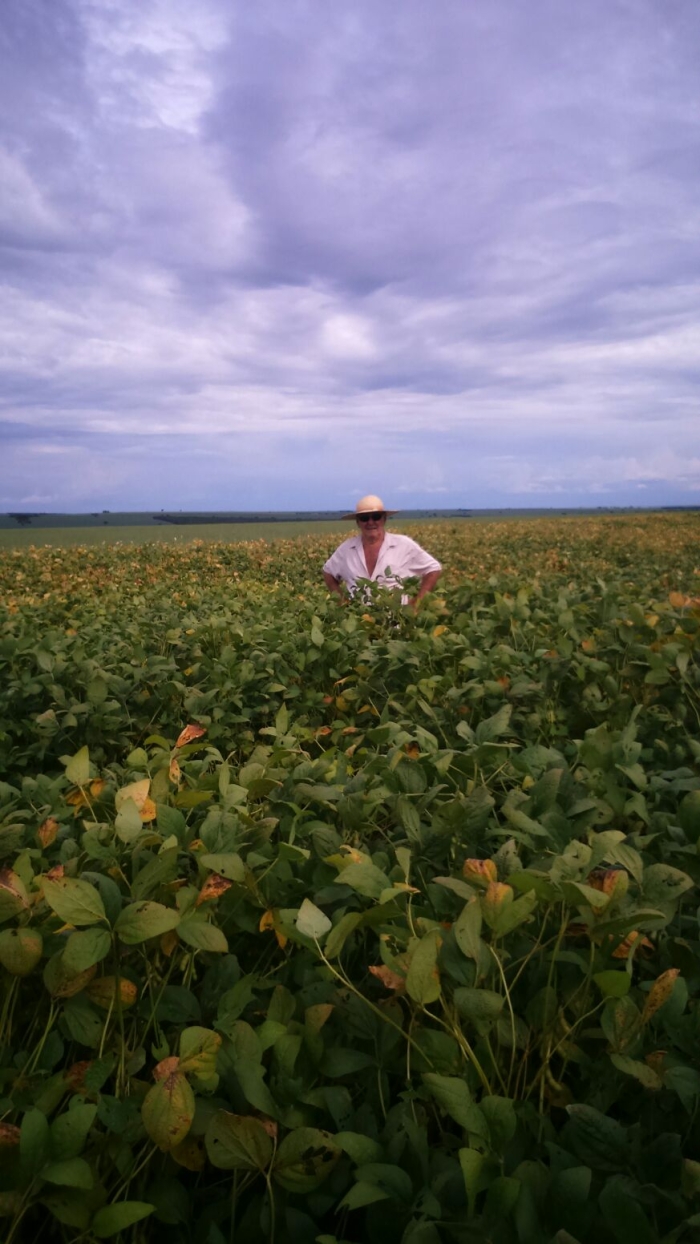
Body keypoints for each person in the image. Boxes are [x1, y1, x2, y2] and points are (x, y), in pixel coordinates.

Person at [322, 494, 442, 610]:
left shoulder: (403, 545)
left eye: (376, 517)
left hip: (396, 624)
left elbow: (433, 568)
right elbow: (328, 572)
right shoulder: (346, 549)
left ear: (384, 519)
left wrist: (417, 603)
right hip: (358, 623)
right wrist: (341, 601)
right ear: (358, 522)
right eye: (364, 518)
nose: (370, 522)